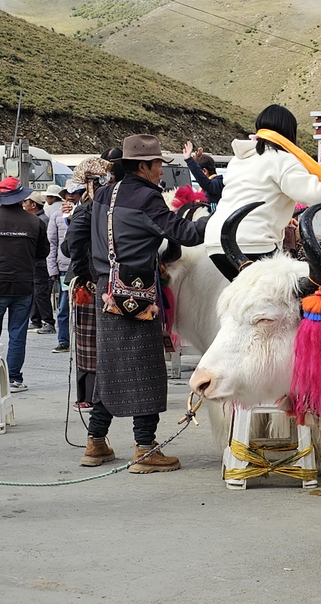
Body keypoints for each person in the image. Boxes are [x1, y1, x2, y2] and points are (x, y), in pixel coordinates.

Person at [75, 136, 210, 472]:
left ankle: (95, 443)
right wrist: (217, 219)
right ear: (143, 166)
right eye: (157, 163)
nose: (160, 169)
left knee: (111, 367)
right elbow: (186, 235)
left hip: (106, 290)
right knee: (146, 370)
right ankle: (146, 449)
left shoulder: (105, 192)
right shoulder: (146, 197)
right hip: (135, 295)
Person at [202, 104, 321, 281]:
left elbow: (252, 193)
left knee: (250, 300)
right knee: (285, 297)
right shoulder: (282, 159)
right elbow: (313, 193)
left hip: (217, 242)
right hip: (252, 242)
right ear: (289, 132)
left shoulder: (239, 160)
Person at [0, 177, 49, 393]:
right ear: (22, 197)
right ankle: (13, 378)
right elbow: (43, 253)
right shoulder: (35, 222)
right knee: (18, 333)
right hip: (23, 284)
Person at [66, 160, 120, 466]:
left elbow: (70, 245)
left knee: (97, 356)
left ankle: (96, 437)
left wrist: (81, 270)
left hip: (91, 286)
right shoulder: (103, 208)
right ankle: (134, 441)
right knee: (111, 358)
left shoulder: (85, 209)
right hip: (106, 288)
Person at [47, 185, 83, 353]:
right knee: (63, 307)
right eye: (67, 194)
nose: (70, 197)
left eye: (74, 193)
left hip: (82, 266)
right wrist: (52, 268)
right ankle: (64, 340)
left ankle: (83, 340)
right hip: (63, 267)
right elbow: (51, 244)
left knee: (83, 305)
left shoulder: (85, 212)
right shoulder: (56, 216)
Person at [25, 192, 56, 334]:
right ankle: (36, 320)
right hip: (35, 262)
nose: (24, 204)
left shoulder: (41, 220)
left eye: (27, 202)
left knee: (41, 292)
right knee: (36, 292)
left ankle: (48, 321)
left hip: (41, 262)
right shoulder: (36, 219)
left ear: (33, 205)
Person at [182, 141, 223, 207]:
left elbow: (205, 182)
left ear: (204, 171)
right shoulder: (205, 188)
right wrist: (196, 159)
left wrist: (189, 160)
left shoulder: (217, 184)